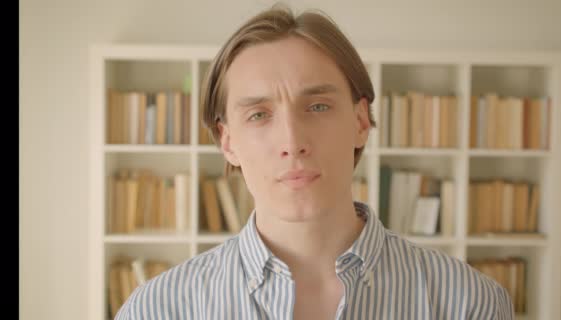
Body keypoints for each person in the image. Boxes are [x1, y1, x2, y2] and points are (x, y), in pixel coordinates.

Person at [115, 3, 514, 319]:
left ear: (360, 121)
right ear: (229, 141)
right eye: (259, 114)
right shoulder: (157, 309)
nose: (292, 142)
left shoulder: (469, 304)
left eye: (318, 106)